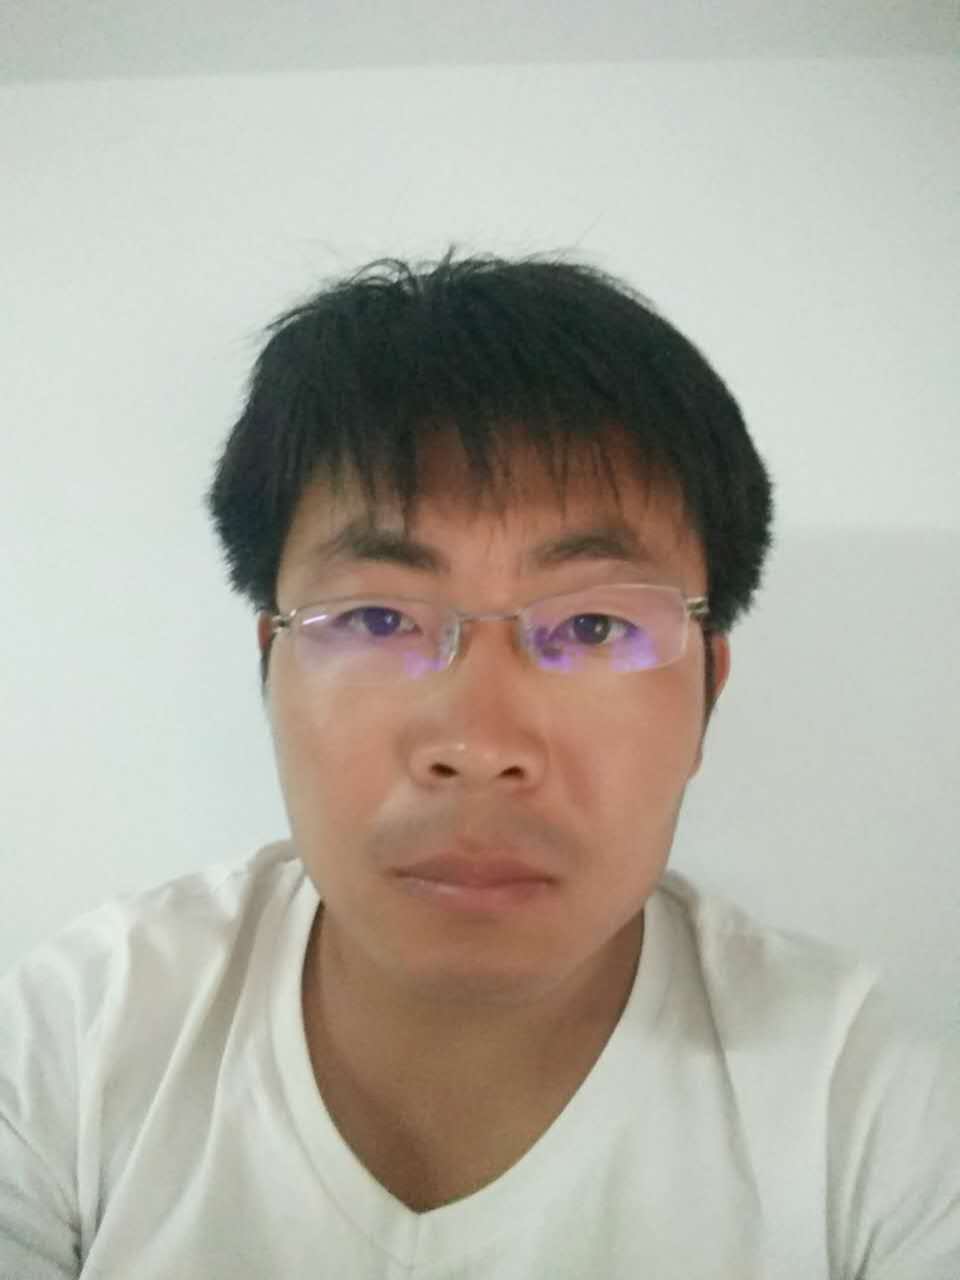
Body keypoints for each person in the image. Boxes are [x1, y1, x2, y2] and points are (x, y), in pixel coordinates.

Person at [2, 252, 958, 1279]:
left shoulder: (866, 1105)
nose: (479, 745)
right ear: (269, 666)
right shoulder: (78, 1039)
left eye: (593, 625)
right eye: (378, 618)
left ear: (706, 696)